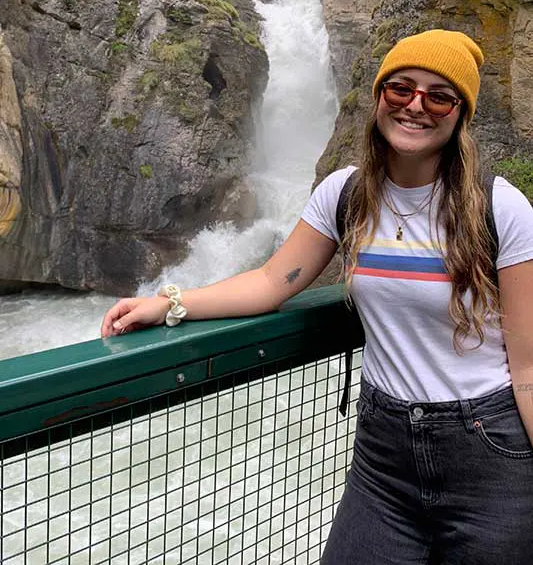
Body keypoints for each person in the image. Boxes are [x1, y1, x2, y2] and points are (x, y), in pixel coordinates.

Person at [101, 29, 533, 564]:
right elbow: (270, 281)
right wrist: (170, 302)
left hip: (487, 451)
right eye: (400, 88)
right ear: (379, 97)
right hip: (384, 455)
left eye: (438, 95)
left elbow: (528, 370)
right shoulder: (346, 194)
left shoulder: (501, 208)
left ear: (459, 114)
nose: (415, 106)